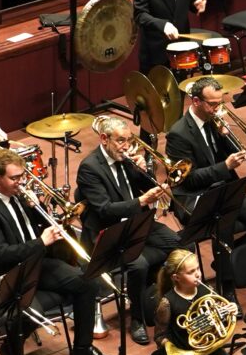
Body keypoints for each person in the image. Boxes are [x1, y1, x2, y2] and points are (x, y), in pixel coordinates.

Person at [0, 150, 106, 355]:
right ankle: (11, 350)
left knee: (88, 282)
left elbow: (30, 227)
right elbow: (3, 255)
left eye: (22, 176)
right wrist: (42, 242)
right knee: (33, 312)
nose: (21, 182)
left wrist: (37, 207)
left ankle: (82, 347)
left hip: (36, 263)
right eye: (15, 178)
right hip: (11, 274)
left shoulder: (18, 195)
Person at [76, 113, 182, 338]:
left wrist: (143, 169)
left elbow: (147, 185)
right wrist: (142, 201)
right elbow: (105, 209)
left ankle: (170, 301)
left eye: (129, 140)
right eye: (121, 141)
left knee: (178, 244)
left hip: (136, 223)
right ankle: (137, 319)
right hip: (110, 232)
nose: (126, 146)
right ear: (104, 139)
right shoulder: (90, 168)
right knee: (139, 264)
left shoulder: (128, 159)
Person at [163, 73, 246, 242]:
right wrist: (225, 166)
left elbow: (236, 152)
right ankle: (229, 262)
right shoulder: (178, 134)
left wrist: (226, 135)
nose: (218, 108)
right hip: (197, 195)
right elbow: (188, 180)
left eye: (220, 102)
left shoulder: (213, 119)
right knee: (225, 225)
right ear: (196, 101)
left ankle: (240, 253)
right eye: (213, 104)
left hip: (224, 187)